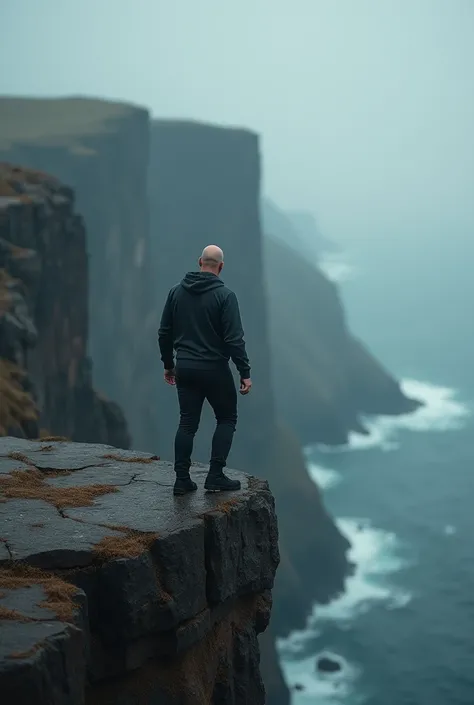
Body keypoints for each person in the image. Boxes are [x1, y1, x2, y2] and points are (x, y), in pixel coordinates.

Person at [158, 245, 252, 496]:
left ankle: (181, 480)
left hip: (185, 368)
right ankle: (215, 475)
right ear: (220, 267)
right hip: (214, 369)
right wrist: (244, 371)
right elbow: (234, 339)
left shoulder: (175, 293)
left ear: (199, 261)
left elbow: (164, 332)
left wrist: (169, 365)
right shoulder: (225, 296)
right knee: (226, 418)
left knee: (187, 423)